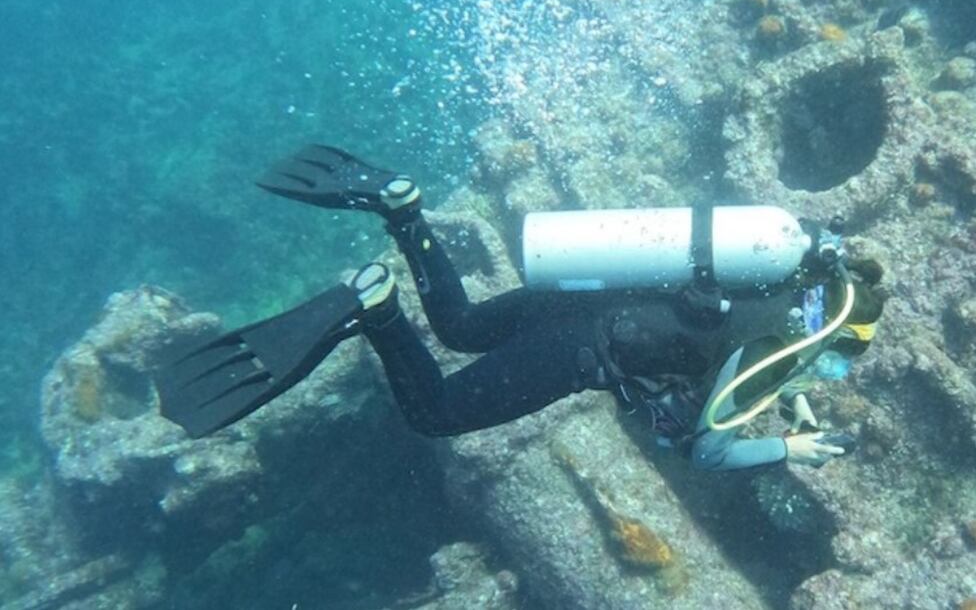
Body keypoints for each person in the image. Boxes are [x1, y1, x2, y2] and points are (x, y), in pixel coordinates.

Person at [158, 145, 885, 471]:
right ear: (826, 336)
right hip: (580, 354)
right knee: (435, 411)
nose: (828, 377)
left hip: (574, 299)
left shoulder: (773, 272)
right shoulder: (773, 357)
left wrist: (787, 393)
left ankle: (405, 212)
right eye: (837, 363)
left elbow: (734, 338)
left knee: (462, 326)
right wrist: (787, 445)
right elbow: (707, 449)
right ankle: (371, 308)